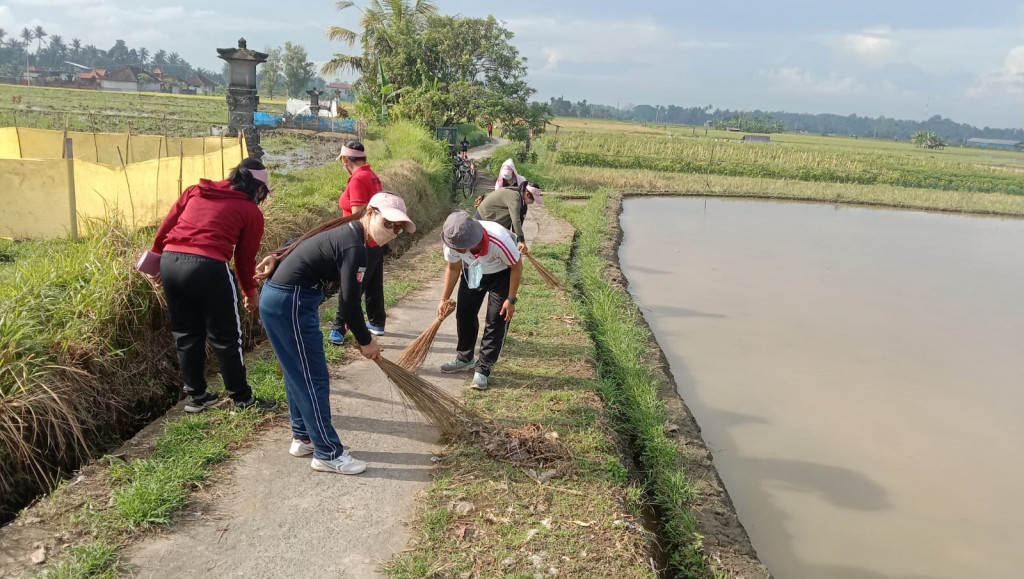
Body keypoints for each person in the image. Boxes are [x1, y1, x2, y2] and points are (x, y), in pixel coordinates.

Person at [255, 192, 416, 475]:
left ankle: (303, 437)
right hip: (290, 301)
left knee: (298, 372)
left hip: (285, 299)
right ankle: (327, 453)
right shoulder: (354, 247)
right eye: (388, 223)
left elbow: (302, 241)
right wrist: (366, 341)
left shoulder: (353, 234)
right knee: (312, 377)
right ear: (370, 212)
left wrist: (276, 256)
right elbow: (349, 302)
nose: (392, 232)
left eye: (399, 228)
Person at [150, 158, 276, 413]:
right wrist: (250, 293)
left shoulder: (196, 191)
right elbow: (243, 259)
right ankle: (242, 399)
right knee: (227, 337)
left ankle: (197, 397)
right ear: (259, 189)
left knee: (186, 333)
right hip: (208, 267)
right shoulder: (251, 211)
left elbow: (166, 228)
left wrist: (157, 261)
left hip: (171, 261)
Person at [437, 211, 523, 391]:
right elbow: (453, 268)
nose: (457, 250)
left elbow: (516, 267)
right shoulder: (452, 244)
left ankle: (483, 368)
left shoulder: (499, 240)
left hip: (501, 276)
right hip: (473, 272)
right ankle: (465, 357)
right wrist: (444, 298)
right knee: (464, 313)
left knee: (496, 320)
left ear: (474, 240)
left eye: (462, 248)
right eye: (456, 248)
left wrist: (511, 299)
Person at [331, 140, 385, 346]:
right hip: (376, 239)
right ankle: (376, 321)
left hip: (360, 240)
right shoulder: (371, 175)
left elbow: (357, 217)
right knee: (372, 282)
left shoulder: (357, 179)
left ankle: (339, 327)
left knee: (350, 285)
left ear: (345, 159)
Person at [475, 181, 543, 255]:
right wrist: (522, 241)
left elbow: (517, 226)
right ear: (527, 194)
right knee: (487, 244)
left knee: (505, 238)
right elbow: (515, 220)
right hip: (485, 216)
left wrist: (517, 243)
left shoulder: (520, 199)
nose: (533, 202)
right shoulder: (515, 197)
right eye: (533, 200)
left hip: (492, 215)